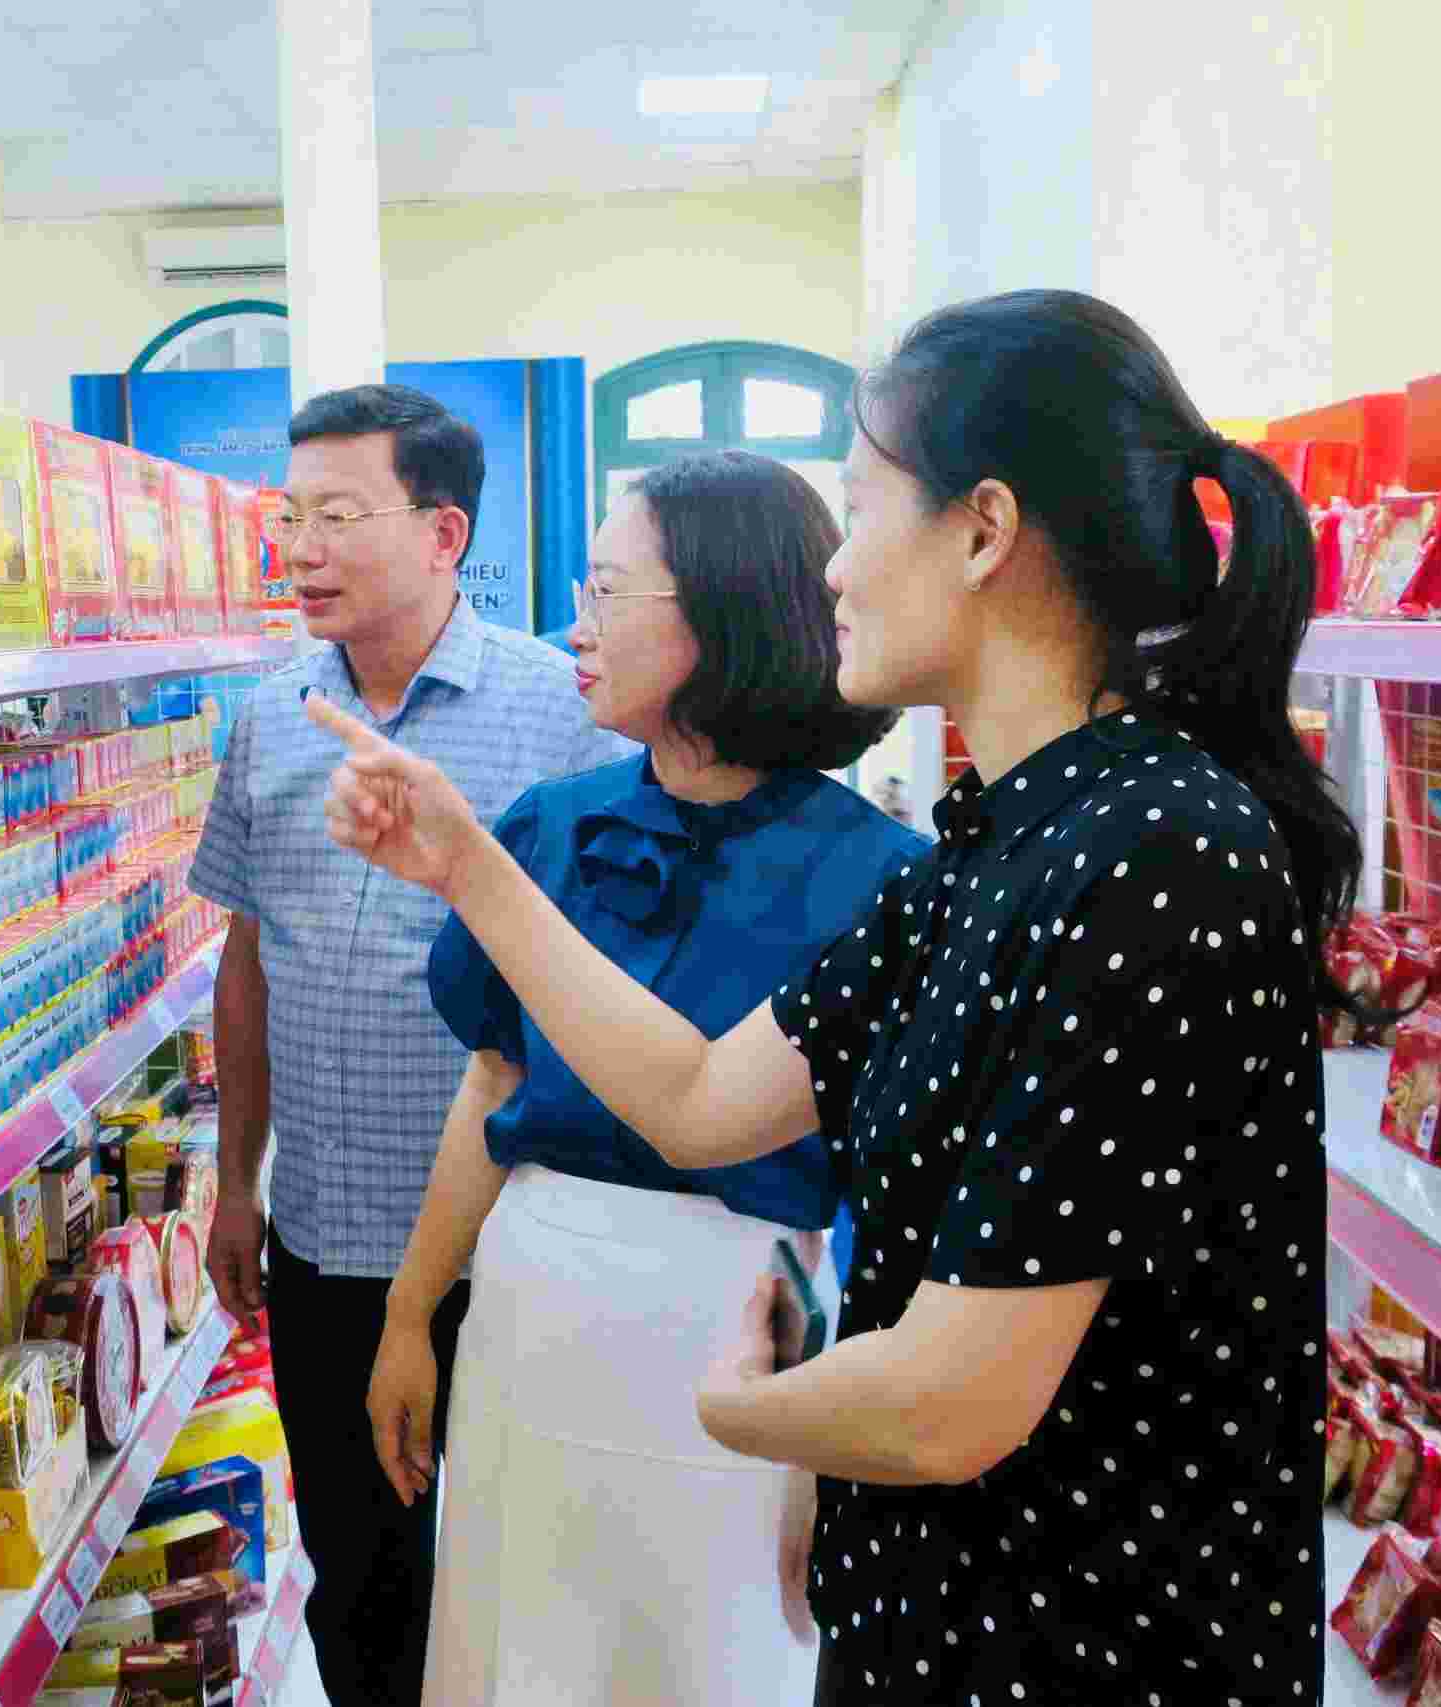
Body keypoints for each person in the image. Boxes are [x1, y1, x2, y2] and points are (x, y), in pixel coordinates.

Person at [306, 290, 1350, 1703]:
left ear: (984, 531)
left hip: (1082, 1642)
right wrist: (470, 864)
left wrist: (736, 1407)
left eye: (859, 507)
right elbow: (695, 1096)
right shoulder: (994, 850)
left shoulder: (1155, 852)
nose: (834, 569)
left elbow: (952, 1397)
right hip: (931, 1612)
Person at [372, 450, 920, 1707]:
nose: (577, 623)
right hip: (531, 1306)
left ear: (724, 615)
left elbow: (893, 1191)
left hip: (745, 1326)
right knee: (519, 1647)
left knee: (714, 1652)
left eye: (610, 591)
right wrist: (412, 1317)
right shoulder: (546, 832)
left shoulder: (882, 880)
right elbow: (490, 1086)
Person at [189, 382, 629, 1707]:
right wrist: (235, 1178)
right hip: (323, 1240)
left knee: (511, 1578)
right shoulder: (269, 718)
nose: (302, 546)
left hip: (513, 1238)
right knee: (360, 1575)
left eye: (341, 514)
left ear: (444, 534)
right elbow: (249, 956)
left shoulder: (563, 713)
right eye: (291, 514)